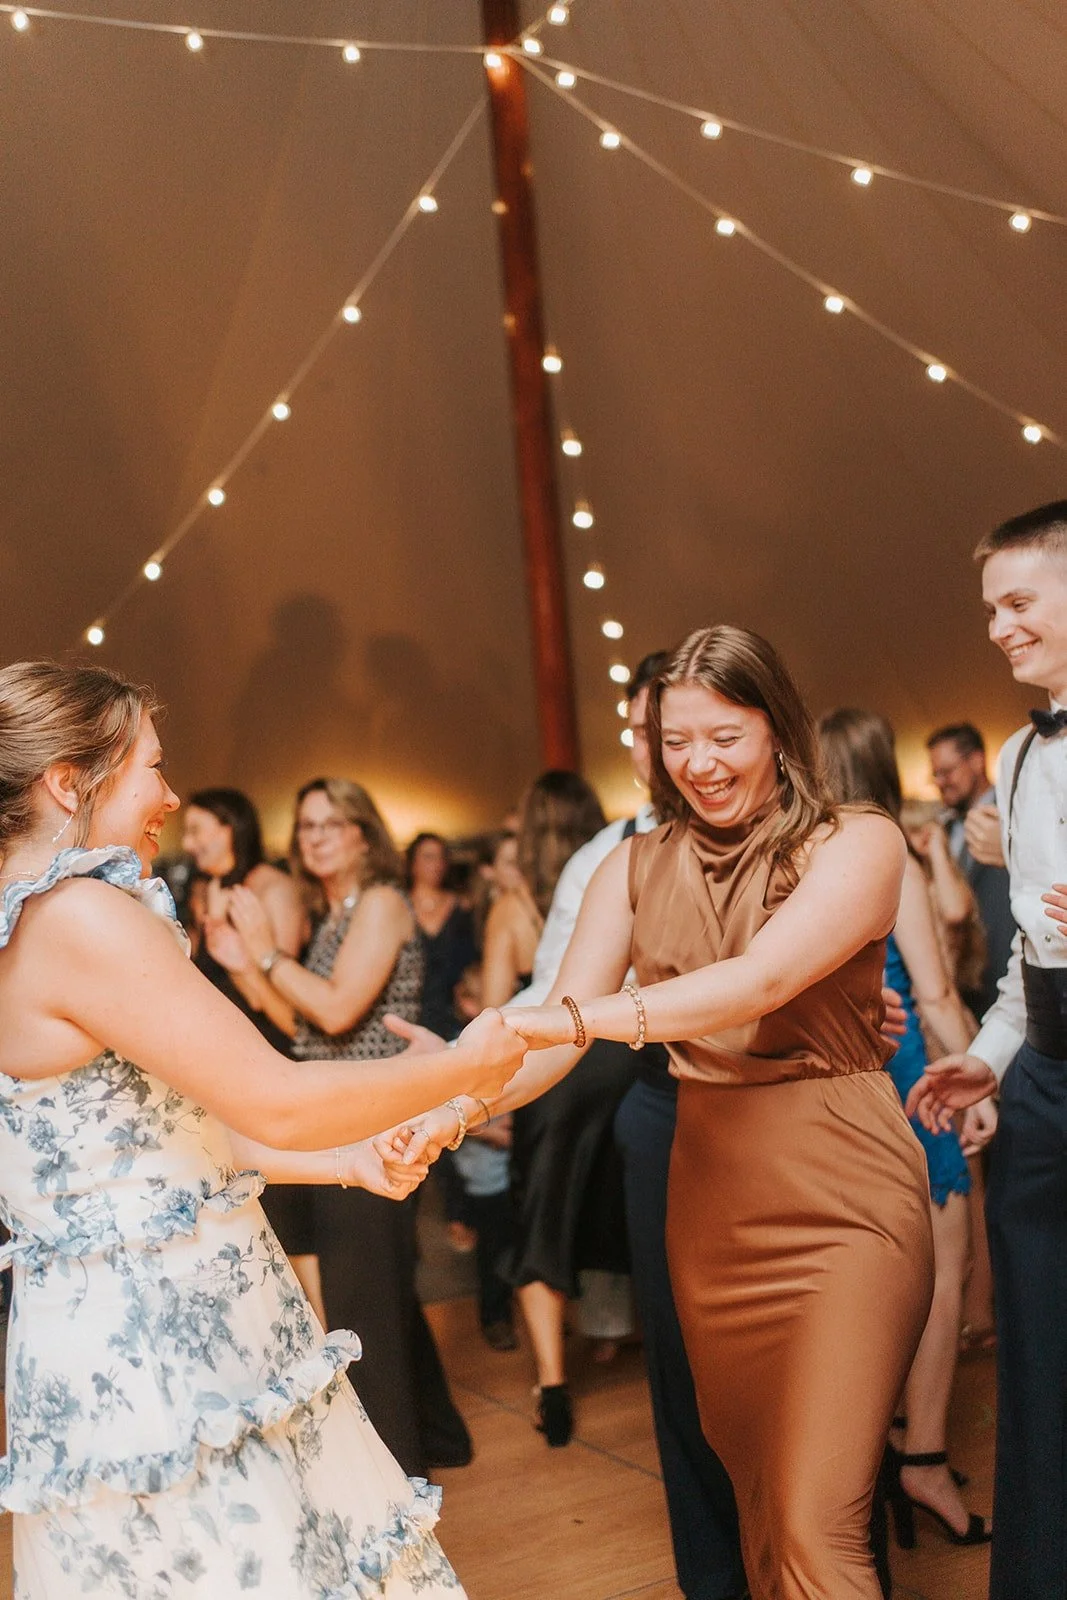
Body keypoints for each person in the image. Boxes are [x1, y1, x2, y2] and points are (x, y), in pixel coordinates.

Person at [388, 625, 934, 1600]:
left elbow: (756, 979)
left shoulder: (855, 839)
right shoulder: (628, 867)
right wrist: (453, 1100)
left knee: (818, 1517)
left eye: (722, 736)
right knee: (762, 1503)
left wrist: (576, 1015)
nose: (697, 764)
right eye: (673, 741)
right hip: (711, 1200)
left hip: (843, 1195)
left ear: (777, 726)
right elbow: (550, 1046)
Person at [0, 659, 525, 1598]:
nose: (168, 795)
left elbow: (156, 1139)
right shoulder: (80, 916)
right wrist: (461, 1068)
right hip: (170, 1351)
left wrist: (349, 1162)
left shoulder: (18, 925)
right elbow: (270, 1096)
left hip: (92, 1352)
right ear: (68, 781)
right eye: (150, 769)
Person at [219, 777, 474, 1476]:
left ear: (365, 833)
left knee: (363, 1304)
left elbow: (334, 1012)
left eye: (332, 824)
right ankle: (439, 1434)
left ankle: (392, 1475)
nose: (317, 837)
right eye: (306, 827)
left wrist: (267, 951)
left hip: (375, 1116)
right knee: (374, 1290)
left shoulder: (384, 904)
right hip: (333, 1113)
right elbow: (299, 1025)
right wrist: (249, 967)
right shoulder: (335, 914)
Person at [906, 500, 1067, 1600]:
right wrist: (994, 1054)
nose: (998, 629)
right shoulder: (1011, 755)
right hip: (1045, 1083)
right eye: (989, 610)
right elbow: (1024, 948)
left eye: (1018, 603)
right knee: (1038, 1366)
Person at [818, 708, 991, 1548]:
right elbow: (933, 993)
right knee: (943, 1272)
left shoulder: (804, 859)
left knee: (870, 1287)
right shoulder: (887, 855)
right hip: (912, 1085)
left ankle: (886, 1444)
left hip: (840, 1094)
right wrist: (986, 1071)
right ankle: (921, 1458)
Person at [492, 771, 614, 1446]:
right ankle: (608, 1334)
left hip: (542, 1068)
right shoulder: (612, 871)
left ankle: (551, 1378)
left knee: (542, 1209)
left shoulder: (514, 908)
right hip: (615, 1053)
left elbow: (492, 1002)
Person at [181, 787, 323, 1318]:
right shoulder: (202, 889)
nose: (189, 842)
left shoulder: (271, 887)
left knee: (288, 1208)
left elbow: (285, 1000)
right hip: (220, 1066)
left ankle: (320, 1339)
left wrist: (233, 953)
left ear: (230, 826)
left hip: (272, 1050)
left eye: (198, 830)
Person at [927, 722, 1015, 1019]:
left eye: (947, 771)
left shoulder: (1014, 810)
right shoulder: (944, 828)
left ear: (976, 761)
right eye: (935, 774)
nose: (940, 781)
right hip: (969, 982)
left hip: (1009, 969)